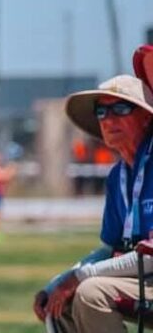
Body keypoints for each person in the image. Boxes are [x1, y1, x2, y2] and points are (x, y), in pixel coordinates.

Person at [34, 74, 153, 331]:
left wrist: (79, 277)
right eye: (102, 111)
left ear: (146, 117)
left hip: (148, 274)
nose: (109, 119)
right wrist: (58, 283)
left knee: (90, 292)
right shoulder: (116, 177)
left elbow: (151, 259)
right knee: (59, 303)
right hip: (143, 279)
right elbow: (111, 248)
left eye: (120, 108)